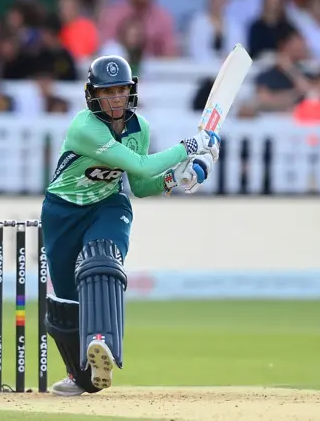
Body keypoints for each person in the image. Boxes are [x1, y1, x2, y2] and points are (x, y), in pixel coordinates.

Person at [41, 55, 220, 396]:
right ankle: (81, 375)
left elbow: (139, 187)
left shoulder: (140, 128)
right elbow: (138, 166)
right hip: (62, 210)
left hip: (108, 205)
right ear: (93, 95)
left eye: (122, 90)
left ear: (131, 91)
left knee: (102, 258)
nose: (116, 99)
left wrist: (175, 179)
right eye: (108, 92)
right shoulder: (84, 127)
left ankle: (103, 343)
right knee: (66, 305)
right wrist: (189, 148)